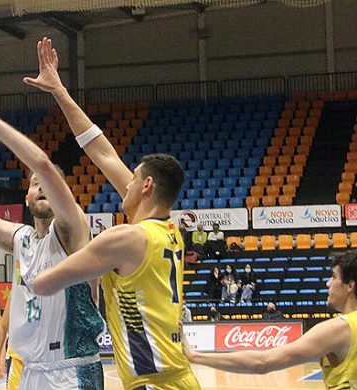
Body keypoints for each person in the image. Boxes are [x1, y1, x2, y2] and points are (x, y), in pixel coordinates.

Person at [27, 37, 200, 390]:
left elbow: (44, 283)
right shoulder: (166, 230)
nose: (125, 181)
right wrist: (59, 90)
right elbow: (101, 152)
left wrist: (39, 260)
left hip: (155, 382)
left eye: (133, 178)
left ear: (147, 186)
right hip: (172, 376)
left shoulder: (128, 238)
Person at [0, 80, 104, 390]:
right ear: (26, 198)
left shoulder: (73, 230)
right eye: (34, 184)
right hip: (30, 371)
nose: (42, 185)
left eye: (50, 183)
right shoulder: (22, 239)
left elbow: (42, 164)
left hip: (72, 371)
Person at [181, 251, 357, 389]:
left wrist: (195, 356)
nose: (327, 283)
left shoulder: (339, 329)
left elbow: (263, 362)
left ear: (350, 286)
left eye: (333, 276)